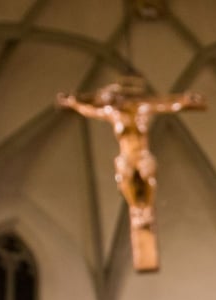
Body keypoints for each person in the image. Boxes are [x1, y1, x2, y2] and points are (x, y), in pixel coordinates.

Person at [56, 79, 205, 271]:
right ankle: (137, 210)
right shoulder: (112, 114)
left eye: (117, 97)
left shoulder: (142, 108)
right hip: (126, 157)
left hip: (142, 155)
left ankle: (146, 211)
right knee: (124, 182)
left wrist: (185, 101)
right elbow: (89, 111)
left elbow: (167, 105)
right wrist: (73, 103)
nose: (116, 100)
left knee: (148, 177)